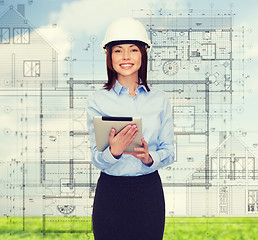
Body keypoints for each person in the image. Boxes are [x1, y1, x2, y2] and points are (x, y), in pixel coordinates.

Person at [87, 17, 175, 240]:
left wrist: (149, 157)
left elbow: (169, 150)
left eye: (133, 50)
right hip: (110, 192)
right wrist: (114, 151)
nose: (126, 57)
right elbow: (96, 158)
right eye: (118, 51)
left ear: (143, 55)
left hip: (148, 192)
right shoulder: (97, 100)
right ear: (109, 56)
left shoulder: (160, 100)